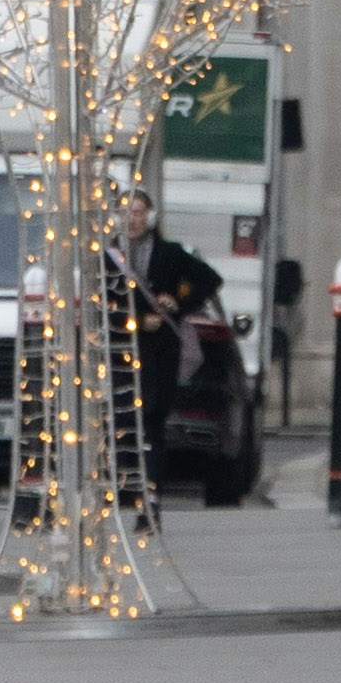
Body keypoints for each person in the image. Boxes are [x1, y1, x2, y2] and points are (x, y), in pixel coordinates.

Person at [112, 185, 222, 503]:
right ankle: (125, 486)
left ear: (150, 217)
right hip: (123, 349)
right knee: (123, 421)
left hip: (160, 349)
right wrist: (132, 319)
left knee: (154, 419)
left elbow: (210, 279)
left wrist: (179, 301)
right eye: (125, 213)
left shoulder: (169, 253)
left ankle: (151, 492)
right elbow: (101, 305)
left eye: (137, 212)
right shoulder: (108, 256)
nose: (131, 219)